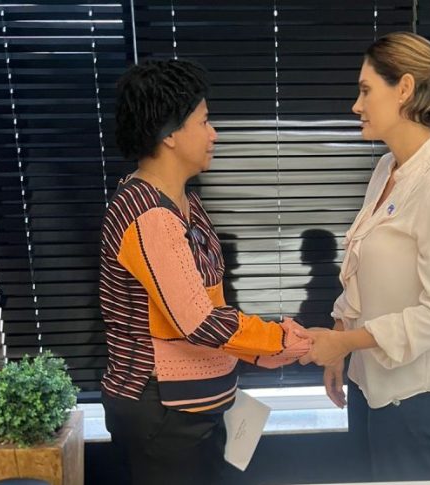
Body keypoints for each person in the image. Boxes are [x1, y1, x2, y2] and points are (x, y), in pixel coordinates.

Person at [99, 59, 311, 485]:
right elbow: (198, 321)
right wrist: (281, 340)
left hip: (193, 408)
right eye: (204, 121)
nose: (213, 134)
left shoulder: (183, 202)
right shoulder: (150, 216)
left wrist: (258, 352)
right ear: (169, 133)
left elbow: (206, 305)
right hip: (165, 414)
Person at [298, 32, 430, 481]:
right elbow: (360, 266)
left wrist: (345, 343)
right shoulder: (388, 169)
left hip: (413, 392)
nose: (355, 105)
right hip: (370, 376)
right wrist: (340, 341)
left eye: (365, 91)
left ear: (404, 89)